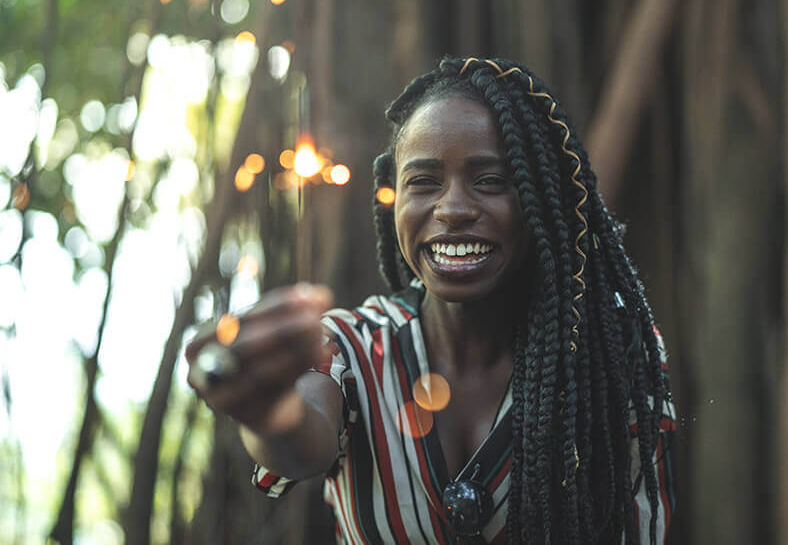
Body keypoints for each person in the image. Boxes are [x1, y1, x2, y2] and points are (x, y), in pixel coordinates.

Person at [186, 56, 676, 544]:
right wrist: (271, 413)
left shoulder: (611, 356)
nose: (453, 209)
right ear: (393, 198)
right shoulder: (353, 347)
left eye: (489, 180)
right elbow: (300, 440)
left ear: (540, 203)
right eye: (423, 182)